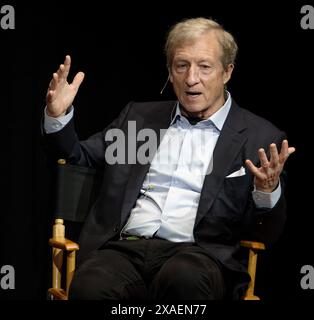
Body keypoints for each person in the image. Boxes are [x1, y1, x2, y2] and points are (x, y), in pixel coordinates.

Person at [43, 17, 295, 300]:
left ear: (227, 72)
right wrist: (57, 117)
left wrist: (266, 192)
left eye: (204, 67)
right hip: (125, 249)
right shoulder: (138, 119)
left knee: (184, 280)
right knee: (89, 287)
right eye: (182, 66)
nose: (191, 79)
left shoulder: (259, 137)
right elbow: (78, 157)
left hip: (200, 255)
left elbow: (267, 234)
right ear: (170, 72)